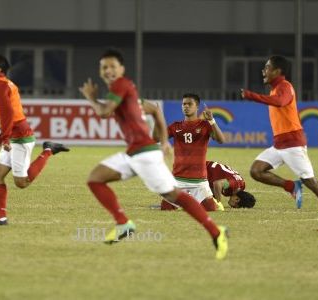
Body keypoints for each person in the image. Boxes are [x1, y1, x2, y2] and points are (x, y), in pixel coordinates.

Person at [79, 48, 228, 259]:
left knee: (173, 195)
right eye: (104, 67)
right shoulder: (127, 89)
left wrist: (91, 98)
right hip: (136, 153)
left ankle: (216, 231)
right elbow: (155, 109)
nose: (108, 70)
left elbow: (104, 112)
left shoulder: (121, 85)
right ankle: (123, 224)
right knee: (95, 179)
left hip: (144, 154)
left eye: (113, 66)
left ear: (121, 69)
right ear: (100, 71)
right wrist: (166, 141)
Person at [240, 55, 318, 232]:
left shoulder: (285, 87)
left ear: (277, 71)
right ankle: (291, 186)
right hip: (279, 144)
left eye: (267, 67)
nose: (263, 70)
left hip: (293, 144)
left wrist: (252, 96)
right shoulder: (274, 89)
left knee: (311, 182)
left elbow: (281, 102)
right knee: (256, 171)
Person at [0, 54, 69, 225]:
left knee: (21, 182)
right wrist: (2, 137)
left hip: (19, 136)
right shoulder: (2, 82)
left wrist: (4, 137)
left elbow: (8, 113)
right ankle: (1, 217)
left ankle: (49, 150)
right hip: (13, 134)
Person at [151, 94, 226, 212]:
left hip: (199, 180)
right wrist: (156, 118)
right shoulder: (175, 126)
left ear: (197, 107)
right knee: (166, 209)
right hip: (178, 179)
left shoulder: (205, 125)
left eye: (189, 104)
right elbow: (156, 138)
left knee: (211, 209)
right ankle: (186, 201)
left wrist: (211, 120)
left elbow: (221, 140)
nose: (186, 106)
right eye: (184, 104)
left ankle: (206, 200)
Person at [155, 160, 256, 210]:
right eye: (236, 206)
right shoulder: (233, 185)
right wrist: (218, 202)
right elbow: (217, 184)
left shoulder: (241, 185)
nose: (234, 207)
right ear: (237, 199)